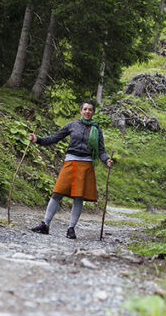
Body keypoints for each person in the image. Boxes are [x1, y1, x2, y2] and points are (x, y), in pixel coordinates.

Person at [29, 100, 114, 239]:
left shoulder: (97, 130)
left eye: (90, 110)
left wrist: (107, 160)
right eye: (85, 109)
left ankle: (71, 228)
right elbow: (54, 138)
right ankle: (45, 224)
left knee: (78, 198)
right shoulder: (72, 125)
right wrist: (37, 140)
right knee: (57, 193)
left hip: (85, 165)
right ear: (81, 110)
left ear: (93, 112)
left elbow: (101, 151)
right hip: (70, 162)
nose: (87, 111)